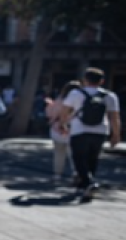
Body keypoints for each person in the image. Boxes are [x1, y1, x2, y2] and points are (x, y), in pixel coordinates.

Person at [61, 67, 121, 202]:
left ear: (84, 80)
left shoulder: (76, 93)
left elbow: (64, 111)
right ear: (102, 81)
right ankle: (85, 187)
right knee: (92, 159)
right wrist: (116, 134)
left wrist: (63, 124)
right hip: (100, 131)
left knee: (79, 159)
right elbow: (114, 117)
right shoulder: (110, 96)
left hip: (79, 130)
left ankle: (89, 183)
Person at [46, 80, 80, 183]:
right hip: (74, 129)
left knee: (58, 154)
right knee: (74, 155)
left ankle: (57, 175)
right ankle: (76, 174)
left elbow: (50, 114)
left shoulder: (59, 100)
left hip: (57, 129)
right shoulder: (80, 101)